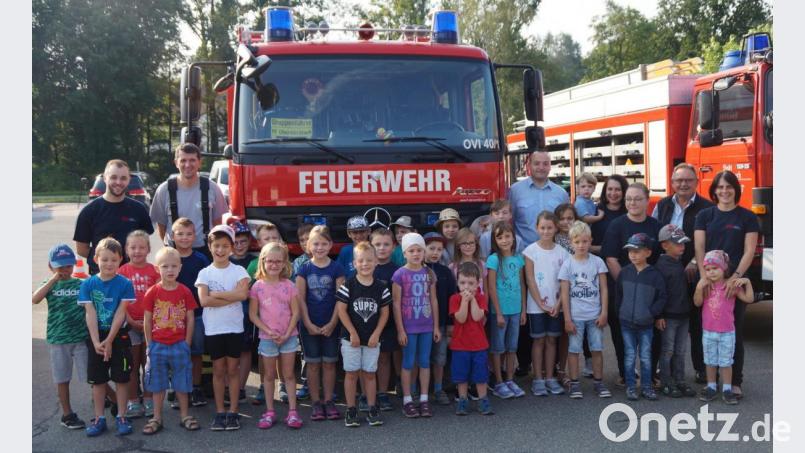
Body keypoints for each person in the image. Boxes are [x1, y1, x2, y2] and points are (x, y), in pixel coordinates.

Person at [694, 170, 759, 400]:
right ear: (714, 191)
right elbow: (700, 248)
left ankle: (735, 382)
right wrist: (704, 278)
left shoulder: (747, 217)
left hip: (734, 283)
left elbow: (749, 250)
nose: (724, 191)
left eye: (728, 187)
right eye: (720, 187)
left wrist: (736, 277)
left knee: (734, 331)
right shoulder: (705, 215)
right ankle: (711, 381)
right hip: (710, 280)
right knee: (709, 330)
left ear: (736, 190)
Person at [651, 163, 713, 384]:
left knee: (696, 323)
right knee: (664, 322)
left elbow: (709, 241)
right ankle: (662, 370)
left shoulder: (706, 207)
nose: (683, 184)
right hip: (667, 274)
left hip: (694, 273)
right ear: (672, 183)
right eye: (679, 181)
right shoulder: (662, 205)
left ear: (696, 182)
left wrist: (696, 261)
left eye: (688, 180)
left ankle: (700, 369)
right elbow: (655, 235)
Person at [601, 182, 661, 387]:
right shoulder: (617, 225)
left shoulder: (656, 226)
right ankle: (624, 373)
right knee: (621, 333)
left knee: (651, 334)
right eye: (629, 199)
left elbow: (659, 259)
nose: (632, 203)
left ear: (647, 200)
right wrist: (628, 285)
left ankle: (650, 374)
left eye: (637, 199)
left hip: (649, 290)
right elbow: (611, 258)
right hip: (623, 289)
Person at [195, 224, 251, 431]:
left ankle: (234, 411)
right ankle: (220, 412)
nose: (220, 250)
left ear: (232, 247)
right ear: (210, 246)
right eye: (216, 245)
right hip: (214, 330)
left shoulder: (239, 271)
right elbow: (204, 301)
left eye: (225, 245)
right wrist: (230, 296)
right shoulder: (205, 273)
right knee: (219, 371)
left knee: (233, 370)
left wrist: (216, 295)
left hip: (234, 328)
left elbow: (243, 295)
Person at [79, 238, 136, 437]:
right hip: (97, 336)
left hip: (118, 336)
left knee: (121, 379)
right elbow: (90, 313)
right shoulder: (88, 284)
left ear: (121, 259)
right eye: (104, 259)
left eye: (113, 259)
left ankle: (121, 415)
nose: (109, 264)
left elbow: (121, 313)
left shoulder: (125, 284)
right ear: (95, 259)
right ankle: (99, 418)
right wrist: (96, 342)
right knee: (98, 380)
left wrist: (110, 340)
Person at [141, 247, 200, 434]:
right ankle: (157, 417)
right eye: (165, 266)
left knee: (182, 383)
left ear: (180, 268)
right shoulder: (152, 292)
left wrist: (187, 342)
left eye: (174, 266)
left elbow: (190, 318)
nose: (170, 270)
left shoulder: (185, 291)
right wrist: (150, 344)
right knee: (157, 384)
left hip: (179, 344)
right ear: (157, 269)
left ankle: (184, 415)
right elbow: (147, 319)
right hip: (158, 345)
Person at [32, 244, 89, 429]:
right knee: (62, 378)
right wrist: (54, 279)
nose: (65, 270)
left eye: (68, 266)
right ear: (51, 266)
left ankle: (112, 400)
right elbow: (35, 299)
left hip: (80, 338)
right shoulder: (48, 286)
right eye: (60, 267)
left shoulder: (80, 284)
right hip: (58, 340)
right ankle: (67, 414)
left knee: (92, 375)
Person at [249, 242, 304, 429]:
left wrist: (288, 332)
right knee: (269, 375)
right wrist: (268, 330)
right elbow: (252, 314)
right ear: (263, 262)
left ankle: (293, 411)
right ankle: (270, 411)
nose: (273, 265)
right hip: (267, 338)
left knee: (288, 375)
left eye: (278, 261)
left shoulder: (289, 285)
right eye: (269, 261)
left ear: (284, 263)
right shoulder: (257, 287)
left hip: (289, 337)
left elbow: (296, 312)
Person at [337, 242, 391, 427]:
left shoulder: (381, 287)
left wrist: (377, 333)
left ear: (376, 262)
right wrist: (352, 332)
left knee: (369, 373)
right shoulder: (348, 284)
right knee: (351, 373)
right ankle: (351, 409)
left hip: (372, 339)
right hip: (351, 339)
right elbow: (341, 310)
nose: (365, 264)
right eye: (361, 261)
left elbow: (385, 313)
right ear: (354, 263)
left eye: (369, 260)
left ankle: (371, 407)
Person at [296, 225, 346, 421]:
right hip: (309, 324)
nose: (320, 247)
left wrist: (333, 323)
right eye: (316, 243)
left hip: (330, 324)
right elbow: (300, 298)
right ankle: (316, 402)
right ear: (309, 245)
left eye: (324, 243)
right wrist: (307, 323)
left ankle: (328, 401)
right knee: (313, 364)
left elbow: (340, 298)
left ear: (331, 245)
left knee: (329, 364)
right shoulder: (304, 268)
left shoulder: (337, 268)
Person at [694, 250, 754, 405]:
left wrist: (747, 282)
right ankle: (711, 386)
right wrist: (699, 288)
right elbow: (697, 302)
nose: (711, 272)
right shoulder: (706, 286)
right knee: (710, 361)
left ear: (724, 269)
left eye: (715, 268)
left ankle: (727, 389)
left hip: (727, 332)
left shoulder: (731, 286)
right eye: (707, 269)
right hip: (708, 332)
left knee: (726, 362)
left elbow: (749, 298)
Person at [73, 159, 153, 274]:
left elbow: (144, 244)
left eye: (123, 178)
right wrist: (106, 260)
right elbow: (81, 249)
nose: (118, 182)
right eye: (114, 177)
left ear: (129, 180)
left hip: (133, 278)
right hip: (101, 279)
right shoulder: (89, 211)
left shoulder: (139, 209)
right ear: (105, 178)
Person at [559, 222, 610, 399]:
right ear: (571, 243)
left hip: (595, 315)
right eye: (577, 241)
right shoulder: (567, 265)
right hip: (575, 316)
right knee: (574, 350)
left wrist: (604, 312)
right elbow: (564, 294)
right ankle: (574, 383)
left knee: (596, 348)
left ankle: (598, 382)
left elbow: (604, 289)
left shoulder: (598, 262)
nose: (581, 245)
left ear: (590, 241)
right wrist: (567, 319)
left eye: (585, 241)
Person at [392, 233, 441, 418]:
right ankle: (407, 399)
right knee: (408, 362)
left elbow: (433, 300)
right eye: (411, 250)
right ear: (404, 253)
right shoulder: (399, 274)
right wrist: (400, 329)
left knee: (424, 362)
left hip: (426, 326)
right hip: (409, 327)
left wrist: (436, 326)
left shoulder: (429, 273)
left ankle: (424, 398)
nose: (416, 254)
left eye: (419, 250)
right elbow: (396, 303)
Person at [150, 143, 228, 258]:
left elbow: (217, 225)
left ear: (199, 162)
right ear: (176, 163)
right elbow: (161, 226)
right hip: (174, 254)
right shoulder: (164, 190)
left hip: (206, 253)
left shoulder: (212, 188)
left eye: (192, 160)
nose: (187, 165)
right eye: (183, 160)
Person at [522, 212, 569, 396]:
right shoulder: (530, 251)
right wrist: (540, 303)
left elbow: (564, 281)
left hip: (556, 305)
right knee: (538, 340)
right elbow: (530, 279)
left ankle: (550, 377)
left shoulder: (562, 252)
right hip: (536, 306)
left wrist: (558, 304)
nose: (546, 231)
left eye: (550, 227)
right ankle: (538, 379)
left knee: (552, 340)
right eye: (542, 227)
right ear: (536, 228)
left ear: (556, 228)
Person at [616, 233, 667, 401]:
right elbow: (618, 295)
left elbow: (662, 297)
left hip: (646, 324)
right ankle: (631, 386)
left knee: (646, 356)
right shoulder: (624, 272)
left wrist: (651, 313)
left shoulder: (655, 275)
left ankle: (646, 387)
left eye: (637, 251)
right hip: (626, 324)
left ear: (648, 253)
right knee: (629, 355)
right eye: (630, 251)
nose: (633, 254)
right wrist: (620, 311)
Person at [118, 230, 160, 419]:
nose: (137, 251)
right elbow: (120, 300)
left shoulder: (154, 271)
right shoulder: (122, 271)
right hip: (131, 325)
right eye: (133, 247)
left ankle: (150, 399)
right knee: (132, 365)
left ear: (148, 249)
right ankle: (133, 401)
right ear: (126, 249)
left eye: (142, 247)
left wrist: (149, 321)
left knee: (148, 364)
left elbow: (160, 298)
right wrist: (129, 319)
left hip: (150, 325)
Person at [654, 225, 697, 398]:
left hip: (683, 315)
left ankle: (680, 380)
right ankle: (666, 381)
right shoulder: (661, 267)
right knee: (667, 351)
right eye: (677, 243)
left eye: (683, 243)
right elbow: (657, 294)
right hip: (668, 317)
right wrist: (659, 315)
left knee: (680, 351)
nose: (682, 246)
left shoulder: (680, 264)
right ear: (665, 245)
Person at [172, 217, 210, 407]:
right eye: (180, 234)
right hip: (174, 316)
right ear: (173, 236)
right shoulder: (169, 257)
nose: (185, 238)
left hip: (197, 314)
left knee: (195, 352)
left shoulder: (201, 259)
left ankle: (195, 387)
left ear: (195, 236)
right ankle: (179, 388)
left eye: (189, 234)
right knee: (177, 353)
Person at [485, 221, 526, 399]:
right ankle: (499, 381)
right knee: (498, 348)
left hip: (516, 310)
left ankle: (510, 379)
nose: (504, 240)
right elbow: (492, 287)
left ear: (513, 238)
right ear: (495, 240)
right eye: (499, 237)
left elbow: (522, 285)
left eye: (507, 236)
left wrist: (523, 310)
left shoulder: (518, 258)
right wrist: (498, 312)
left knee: (512, 347)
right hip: (499, 312)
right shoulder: (493, 259)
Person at [450, 262, 493, 416]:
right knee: (461, 376)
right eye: (462, 283)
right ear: (457, 283)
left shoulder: (481, 298)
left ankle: (483, 400)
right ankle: (462, 400)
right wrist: (464, 302)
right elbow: (460, 319)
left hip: (479, 345)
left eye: (470, 283)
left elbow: (477, 317)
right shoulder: (455, 299)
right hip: (460, 345)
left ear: (478, 283)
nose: (466, 287)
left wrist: (473, 300)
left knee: (481, 375)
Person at [423, 232, 458, 406]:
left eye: (439, 249)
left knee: (439, 358)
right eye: (431, 248)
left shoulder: (446, 272)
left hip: (443, 323)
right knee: (421, 358)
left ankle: (438, 388)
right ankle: (420, 391)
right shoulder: (417, 270)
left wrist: (451, 323)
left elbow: (452, 297)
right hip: (421, 324)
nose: (435, 252)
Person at [509, 150, 570, 247]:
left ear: (550, 166)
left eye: (545, 164)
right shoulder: (515, 191)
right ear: (529, 165)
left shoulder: (561, 194)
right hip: (523, 253)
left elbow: (567, 226)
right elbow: (509, 222)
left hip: (554, 254)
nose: (541, 167)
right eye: (536, 163)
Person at [371, 228, 402, 411]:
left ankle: (383, 393)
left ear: (394, 246)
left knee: (386, 357)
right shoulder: (366, 268)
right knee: (371, 359)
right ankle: (368, 393)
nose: (381, 248)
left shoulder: (397, 271)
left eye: (386, 244)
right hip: (368, 323)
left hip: (391, 322)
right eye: (377, 244)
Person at [228, 221, 256, 404]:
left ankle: (241, 387)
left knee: (245, 351)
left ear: (249, 242)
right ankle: (227, 387)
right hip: (227, 311)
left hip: (247, 312)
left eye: (243, 241)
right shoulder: (225, 261)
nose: (239, 246)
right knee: (229, 351)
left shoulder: (255, 261)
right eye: (235, 242)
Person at [591, 175, 628, 256]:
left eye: (617, 189)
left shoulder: (629, 214)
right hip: (597, 262)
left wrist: (596, 248)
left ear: (624, 191)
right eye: (610, 189)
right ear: (605, 191)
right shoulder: (595, 210)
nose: (613, 193)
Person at [449, 228, 487, 294]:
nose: (468, 246)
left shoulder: (482, 265)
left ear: (476, 244)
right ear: (458, 246)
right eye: (464, 243)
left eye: (471, 243)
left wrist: (485, 304)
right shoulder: (452, 267)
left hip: (480, 303)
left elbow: (485, 291)